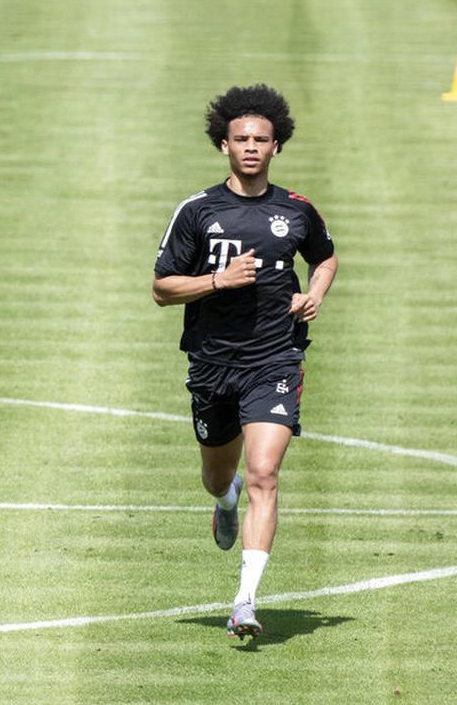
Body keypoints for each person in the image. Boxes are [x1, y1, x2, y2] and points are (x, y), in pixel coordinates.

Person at [152, 84, 338, 640]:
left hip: (275, 358)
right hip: (212, 364)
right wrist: (218, 280)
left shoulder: (297, 210)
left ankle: (245, 600)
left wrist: (315, 295)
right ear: (223, 145)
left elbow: (325, 258)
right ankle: (224, 500)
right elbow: (161, 289)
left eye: (261, 139)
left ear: (276, 146)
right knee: (219, 476)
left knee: (265, 474)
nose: (251, 147)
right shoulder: (198, 210)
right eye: (241, 139)